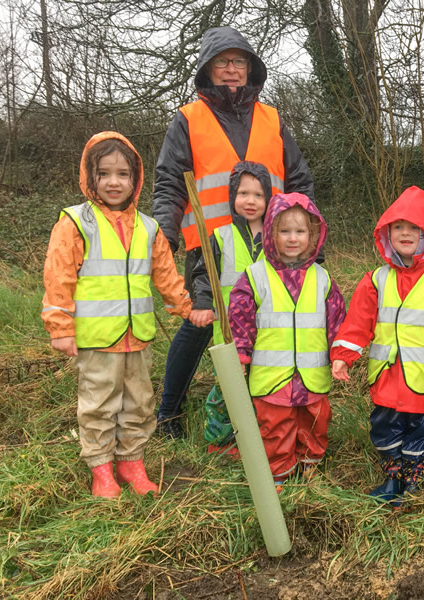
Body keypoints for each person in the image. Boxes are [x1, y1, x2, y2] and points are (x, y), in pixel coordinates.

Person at [153, 26, 314, 438]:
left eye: (238, 61)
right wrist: (163, 236)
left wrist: (309, 239)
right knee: (201, 323)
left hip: (270, 244)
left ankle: (258, 410)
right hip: (211, 246)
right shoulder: (189, 119)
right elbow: (169, 180)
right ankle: (169, 413)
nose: (230, 70)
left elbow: (298, 180)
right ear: (208, 69)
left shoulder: (272, 119)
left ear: (250, 68)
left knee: (265, 323)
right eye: (221, 62)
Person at [41, 132, 196, 497]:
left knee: (140, 402)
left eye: (123, 174)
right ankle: (101, 469)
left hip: (137, 336)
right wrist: (60, 327)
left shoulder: (148, 227)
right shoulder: (76, 223)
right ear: (89, 177)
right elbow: (58, 277)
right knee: (99, 403)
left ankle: (131, 463)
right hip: (96, 339)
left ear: (136, 179)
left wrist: (187, 307)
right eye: (105, 173)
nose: (114, 182)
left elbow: (166, 276)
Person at [331, 187, 424, 508]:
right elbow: (358, 322)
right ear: (386, 233)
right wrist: (344, 355)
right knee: (384, 426)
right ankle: (393, 476)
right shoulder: (375, 280)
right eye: (398, 226)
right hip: (386, 378)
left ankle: (414, 480)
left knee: (420, 430)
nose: (405, 233)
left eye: (414, 227)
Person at [227, 193, 345, 489]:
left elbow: (338, 322)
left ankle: (310, 466)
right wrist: (241, 356)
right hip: (272, 377)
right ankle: (279, 473)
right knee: (275, 427)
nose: (293, 238)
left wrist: (341, 353)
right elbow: (240, 319)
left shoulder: (323, 278)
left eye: (300, 231)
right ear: (270, 233)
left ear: (313, 234)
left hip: (312, 374)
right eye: (284, 231)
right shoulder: (254, 276)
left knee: (315, 422)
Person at [189, 161, 271, 456]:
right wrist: (201, 304)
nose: (250, 201)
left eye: (258, 195)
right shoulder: (221, 236)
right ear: (233, 197)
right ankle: (221, 441)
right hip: (229, 329)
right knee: (227, 387)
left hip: (269, 329)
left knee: (262, 385)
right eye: (243, 193)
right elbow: (203, 275)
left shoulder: (277, 238)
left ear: (269, 198)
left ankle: (258, 439)